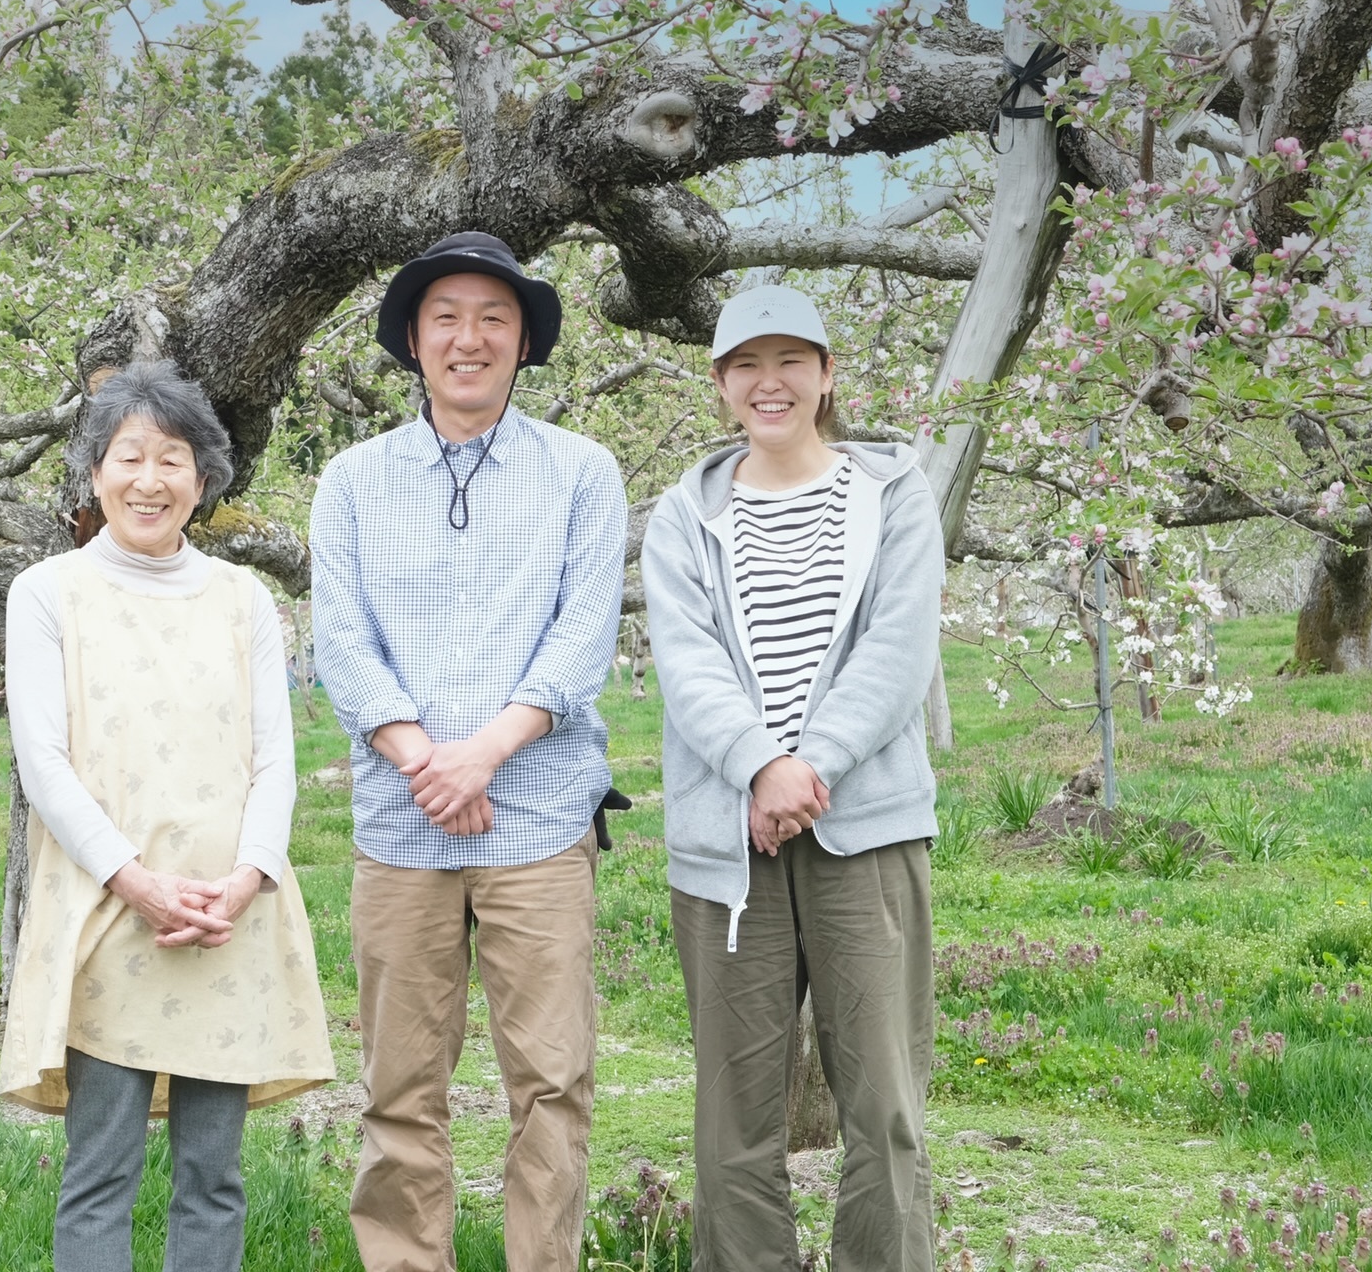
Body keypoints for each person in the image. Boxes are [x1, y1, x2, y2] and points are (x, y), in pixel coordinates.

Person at [310, 232, 627, 1272]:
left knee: (551, 1080)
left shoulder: (582, 471)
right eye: (445, 315)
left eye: (495, 317)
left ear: (525, 339)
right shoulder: (353, 481)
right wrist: (424, 763)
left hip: (535, 819)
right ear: (412, 338)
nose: (469, 337)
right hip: (402, 825)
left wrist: (482, 755)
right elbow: (343, 645)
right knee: (401, 1083)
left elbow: (582, 639)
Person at [0, 362, 334, 1272]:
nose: (150, 480)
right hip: (109, 910)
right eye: (128, 457)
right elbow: (45, 761)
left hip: (228, 919)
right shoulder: (48, 593)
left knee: (213, 1175)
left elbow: (275, 758)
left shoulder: (242, 598)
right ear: (94, 472)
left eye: (173, 460)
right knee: (99, 1170)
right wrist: (134, 881)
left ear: (203, 479)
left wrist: (247, 878)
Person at [640, 283, 944, 1272]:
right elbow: (686, 664)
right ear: (722, 383)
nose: (770, 384)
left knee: (886, 1109)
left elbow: (896, 650)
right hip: (729, 847)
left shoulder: (895, 496)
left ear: (826, 375)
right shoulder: (684, 519)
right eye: (746, 366)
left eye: (791, 362)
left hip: (867, 830)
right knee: (734, 1125)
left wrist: (810, 768)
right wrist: (760, 768)